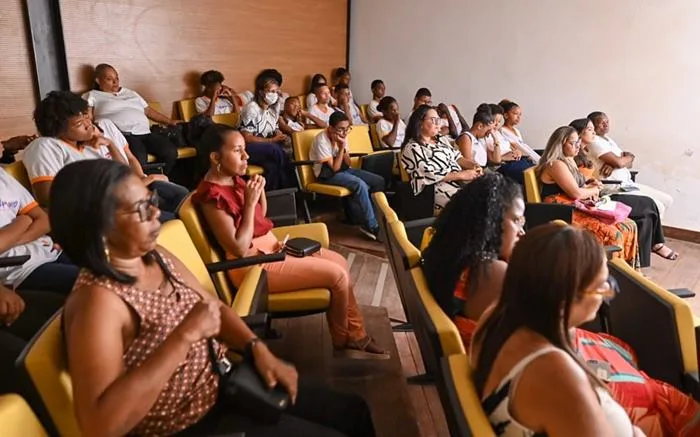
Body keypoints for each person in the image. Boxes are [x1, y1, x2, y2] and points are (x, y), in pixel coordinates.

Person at [50, 159, 378, 437]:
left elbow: (213, 308)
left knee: (354, 411)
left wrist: (257, 349)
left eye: (151, 199)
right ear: (98, 227)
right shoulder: (99, 302)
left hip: (222, 383)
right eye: (141, 208)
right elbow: (100, 424)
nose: (156, 213)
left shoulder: (155, 255)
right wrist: (185, 335)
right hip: (187, 424)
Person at [194, 124, 388, 360]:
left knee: (340, 262)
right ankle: (345, 339)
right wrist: (248, 203)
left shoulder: (234, 180)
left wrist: (258, 194)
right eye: (238, 151)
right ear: (215, 157)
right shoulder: (210, 196)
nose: (247, 156)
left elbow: (261, 217)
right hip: (253, 265)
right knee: (336, 276)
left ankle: (354, 333)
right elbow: (238, 247)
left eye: (245, 150)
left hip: (272, 247)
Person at [471, 224, 644, 436]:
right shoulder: (556, 374)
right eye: (601, 286)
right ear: (564, 301)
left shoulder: (496, 317)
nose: (608, 292)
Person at [423, 173, 524, 345]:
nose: (521, 232)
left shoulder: (451, 254)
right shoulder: (490, 272)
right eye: (516, 220)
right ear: (490, 221)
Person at [570, 118, 676, 265]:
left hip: (602, 191)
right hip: (606, 193)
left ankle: (640, 264)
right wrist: (613, 168)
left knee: (646, 215)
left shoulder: (589, 149)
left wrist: (618, 163)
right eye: (590, 128)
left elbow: (625, 162)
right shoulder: (578, 154)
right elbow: (577, 187)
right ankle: (656, 246)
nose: (594, 130)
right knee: (651, 205)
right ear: (579, 134)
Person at [535, 126, 640, 268]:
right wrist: (595, 189)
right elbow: (576, 193)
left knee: (629, 225)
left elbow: (577, 183)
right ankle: (607, 275)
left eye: (577, 142)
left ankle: (629, 272)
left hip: (572, 204)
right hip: (561, 209)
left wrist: (590, 183)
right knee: (613, 234)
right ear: (560, 144)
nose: (577, 146)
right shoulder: (556, 164)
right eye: (572, 143)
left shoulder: (568, 159)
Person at [83, 64, 179, 174]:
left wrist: (170, 122)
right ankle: (141, 185)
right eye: (109, 79)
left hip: (146, 133)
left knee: (170, 151)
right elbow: (88, 117)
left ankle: (159, 180)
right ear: (98, 81)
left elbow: (148, 110)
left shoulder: (131, 93)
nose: (115, 82)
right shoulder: (91, 95)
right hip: (124, 135)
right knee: (139, 157)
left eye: (117, 78)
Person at [95, 118, 190, 220]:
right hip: (124, 195)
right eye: (82, 123)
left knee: (184, 194)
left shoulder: (106, 124)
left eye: (88, 119)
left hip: (139, 182)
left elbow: (130, 158)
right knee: (172, 216)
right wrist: (150, 179)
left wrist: (142, 178)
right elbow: (120, 184)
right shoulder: (82, 155)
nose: (88, 125)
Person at [310, 112, 384, 240]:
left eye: (347, 129)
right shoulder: (321, 140)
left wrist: (343, 148)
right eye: (341, 129)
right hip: (326, 174)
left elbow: (348, 163)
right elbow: (334, 168)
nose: (344, 132)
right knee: (360, 184)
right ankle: (372, 226)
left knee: (378, 181)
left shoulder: (343, 136)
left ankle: (375, 218)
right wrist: (341, 147)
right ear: (331, 128)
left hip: (343, 170)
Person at [587, 111, 673, 219]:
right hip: (614, 188)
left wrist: (616, 163)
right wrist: (620, 161)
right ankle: (650, 234)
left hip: (628, 185)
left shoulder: (609, 140)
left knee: (667, 200)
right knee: (658, 206)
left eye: (607, 121)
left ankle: (652, 233)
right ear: (592, 125)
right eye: (601, 122)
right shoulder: (593, 141)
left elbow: (628, 164)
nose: (606, 125)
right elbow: (620, 162)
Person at [401, 105, 482, 213]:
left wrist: (474, 166)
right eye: (434, 120)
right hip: (435, 189)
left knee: (489, 198)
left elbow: (457, 157)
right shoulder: (412, 147)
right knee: (473, 206)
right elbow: (428, 174)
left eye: (438, 120)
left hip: (458, 182)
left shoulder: (441, 140)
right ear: (420, 123)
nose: (438, 124)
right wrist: (462, 175)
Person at [239, 70, 293, 190]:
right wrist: (272, 141)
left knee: (273, 166)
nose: (275, 95)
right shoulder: (251, 108)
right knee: (275, 149)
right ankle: (290, 188)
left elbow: (275, 129)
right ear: (261, 92)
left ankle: (273, 196)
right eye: (271, 91)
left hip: (266, 148)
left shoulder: (274, 107)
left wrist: (278, 135)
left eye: (276, 91)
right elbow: (246, 137)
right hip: (247, 147)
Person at [484, 103, 534, 185]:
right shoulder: (487, 136)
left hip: (517, 160)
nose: (496, 124)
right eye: (493, 121)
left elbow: (511, 147)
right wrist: (504, 157)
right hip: (504, 166)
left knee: (541, 170)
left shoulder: (497, 133)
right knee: (536, 174)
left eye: (499, 121)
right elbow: (494, 160)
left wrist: (517, 152)